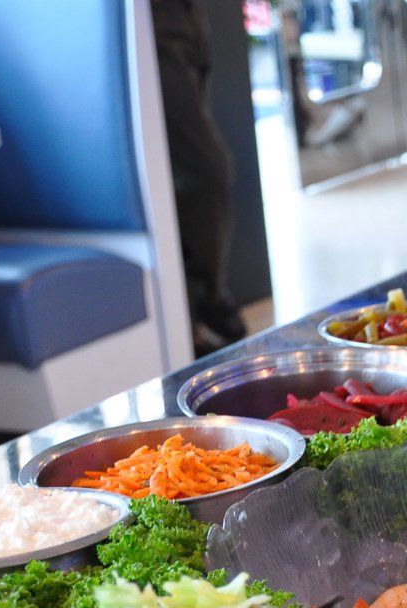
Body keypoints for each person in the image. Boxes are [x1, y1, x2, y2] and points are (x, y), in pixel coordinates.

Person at [151, 0, 246, 354]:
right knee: (206, 171)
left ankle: (195, 314)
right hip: (149, 20)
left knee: (181, 174)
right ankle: (206, 305)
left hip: (186, 15)